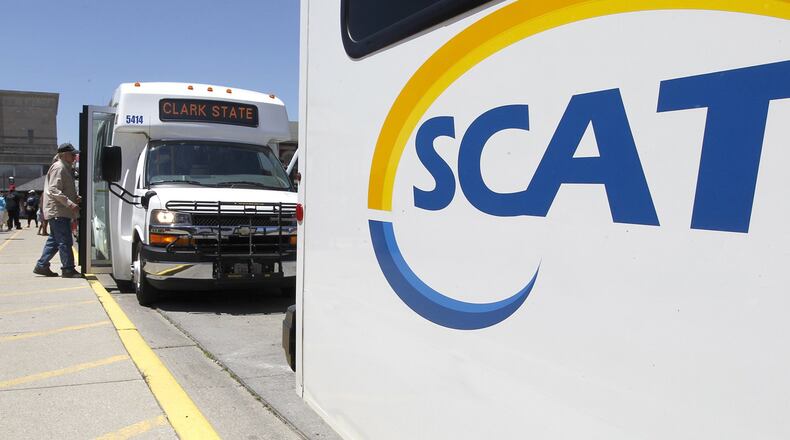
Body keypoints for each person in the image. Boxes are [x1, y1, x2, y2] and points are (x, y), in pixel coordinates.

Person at [34, 143, 82, 278]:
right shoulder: (59, 167)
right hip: (58, 211)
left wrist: (74, 198)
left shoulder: (64, 167)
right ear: (64, 155)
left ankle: (42, 265)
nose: (75, 157)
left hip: (59, 211)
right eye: (72, 154)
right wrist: (70, 203)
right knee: (65, 241)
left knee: (55, 241)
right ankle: (68, 269)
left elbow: (60, 189)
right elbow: (54, 189)